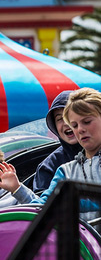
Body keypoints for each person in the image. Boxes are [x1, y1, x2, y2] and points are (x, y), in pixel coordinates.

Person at [39, 88, 101, 221]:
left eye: (87, 121)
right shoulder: (65, 171)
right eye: (74, 125)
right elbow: (41, 206)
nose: (80, 129)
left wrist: (70, 201)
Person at [33, 90, 81, 193]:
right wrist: (18, 190)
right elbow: (41, 201)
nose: (66, 123)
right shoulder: (49, 167)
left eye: (70, 116)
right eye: (59, 119)